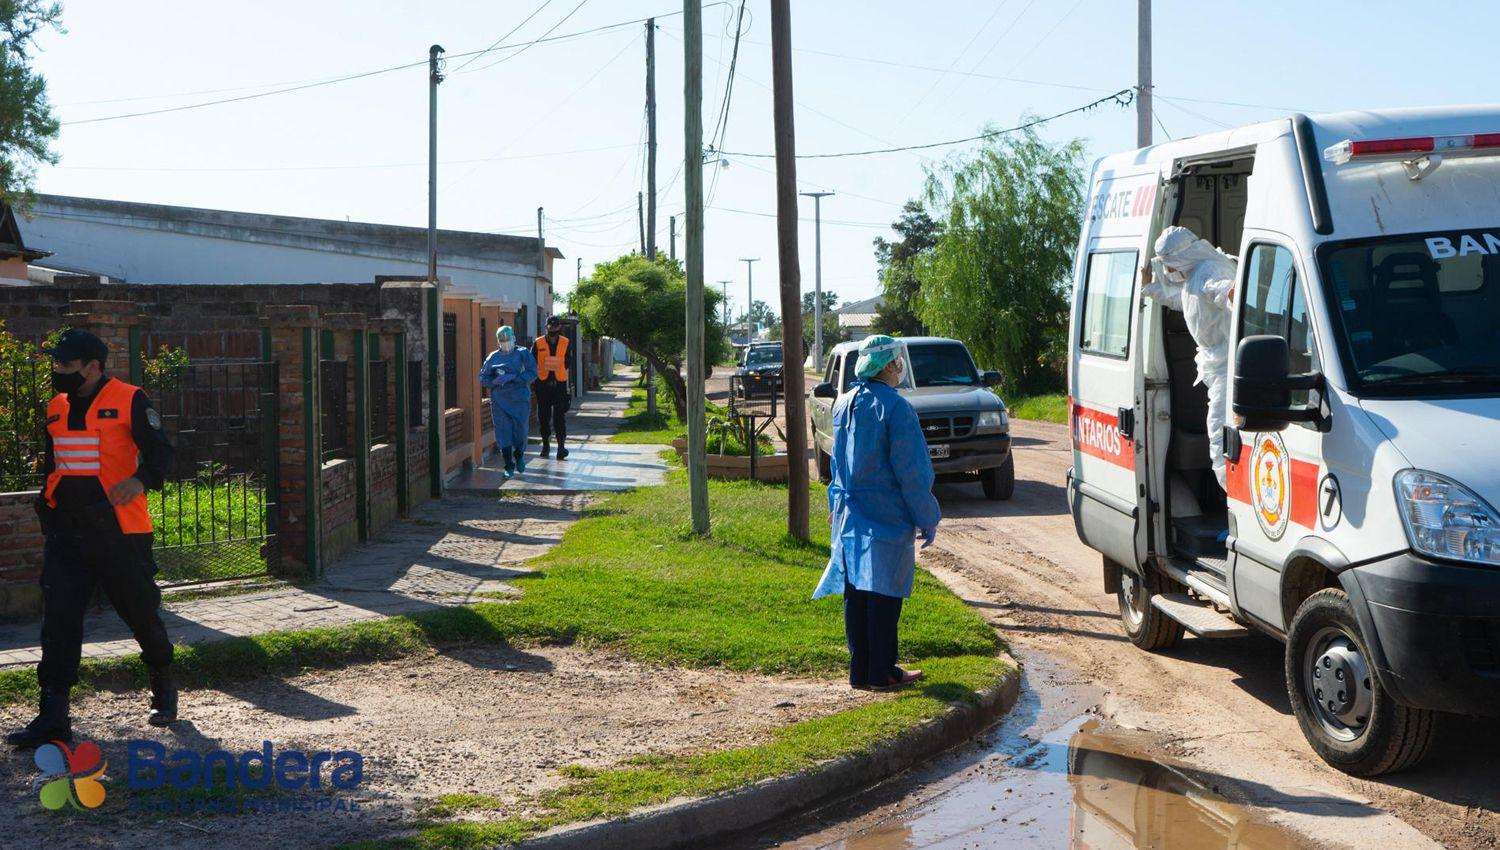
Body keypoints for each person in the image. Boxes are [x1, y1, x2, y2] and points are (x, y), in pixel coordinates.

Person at [7, 330, 176, 748]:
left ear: (93, 367)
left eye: (66, 365)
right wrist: (46, 505)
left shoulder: (130, 398)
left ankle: (163, 685)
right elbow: (53, 463)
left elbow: (162, 455)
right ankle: (53, 717)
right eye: (56, 364)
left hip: (121, 532)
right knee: (59, 621)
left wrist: (138, 481)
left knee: (140, 613)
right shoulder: (56, 406)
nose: (57, 371)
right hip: (67, 532)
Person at [812, 335, 941, 691]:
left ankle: (861, 671)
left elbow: (836, 464)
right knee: (885, 593)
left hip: (851, 515)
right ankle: (883, 671)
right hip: (887, 515)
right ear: (888, 364)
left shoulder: (844, 403)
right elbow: (912, 472)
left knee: (856, 592)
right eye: (897, 361)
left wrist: (833, 507)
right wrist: (928, 516)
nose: (900, 367)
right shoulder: (896, 408)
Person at [1141, 225, 1239, 489]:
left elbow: (1224, 291)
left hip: (1228, 369)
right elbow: (1182, 300)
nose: (1169, 271)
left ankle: (1236, 508)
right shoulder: (1195, 276)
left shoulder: (1208, 272)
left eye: (1169, 265)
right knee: (1222, 439)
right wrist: (1149, 288)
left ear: (1180, 257)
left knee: (1220, 441)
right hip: (1220, 367)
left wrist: (1234, 293)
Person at [479, 325, 538, 479]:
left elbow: (533, 372)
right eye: (502, 340)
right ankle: (508, 465)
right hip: (500, 401)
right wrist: (495, 381)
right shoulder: (493, 357)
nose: (505, 343)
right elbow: (483, 377)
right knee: (502, 432)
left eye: (508, 339)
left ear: (513, 338)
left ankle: (519, 455)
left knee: (520, 431)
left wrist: (514, 377)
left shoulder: (522, 353)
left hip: (520, 399)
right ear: (498, 341)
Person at [532, 315, 571, 460]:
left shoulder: (566, 342)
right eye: (550, 326)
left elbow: (568, 362)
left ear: (559, 327)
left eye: (555, 326)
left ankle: (561, 446)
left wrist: (556, 370)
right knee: (543, 416)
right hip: (542, 385)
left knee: (559, 417)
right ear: (546, 327)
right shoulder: (538, 342)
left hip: (559, 385)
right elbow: (532, 361)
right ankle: (546, 445)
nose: (552, 329)